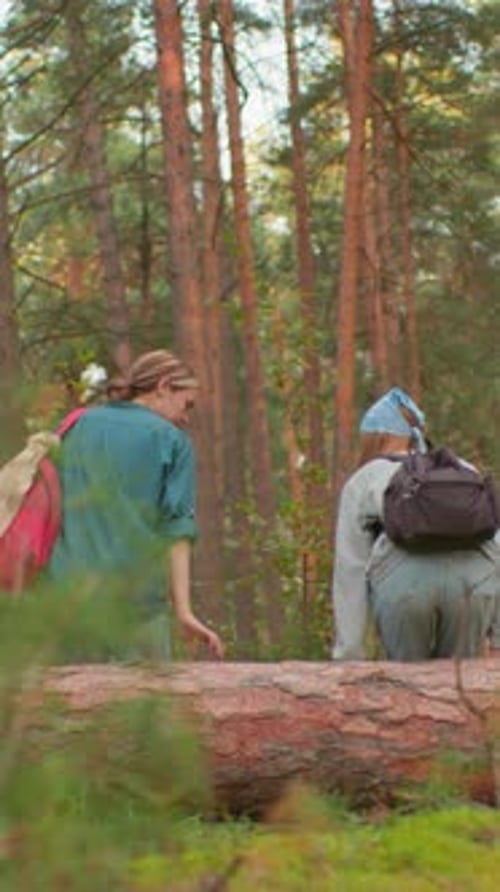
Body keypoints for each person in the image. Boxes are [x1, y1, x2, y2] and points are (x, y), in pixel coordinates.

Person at [49, 349, 224, 662]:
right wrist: (184, 611)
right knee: (144, 705)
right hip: (136, 608)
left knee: (67, 707)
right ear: (164, 386)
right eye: (187, 404)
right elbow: (177, 530)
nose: (186, 417)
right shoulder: (172, 440)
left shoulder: (76, 426)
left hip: (66, 604)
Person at [331, 387, 500, 661]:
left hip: (405, 584)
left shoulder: (365, 479)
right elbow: (496, 545)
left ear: (376, 438)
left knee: (406, 686)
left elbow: (350, 569)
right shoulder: (464, 470)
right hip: (473, 584)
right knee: (459, 686)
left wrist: (349, 655)